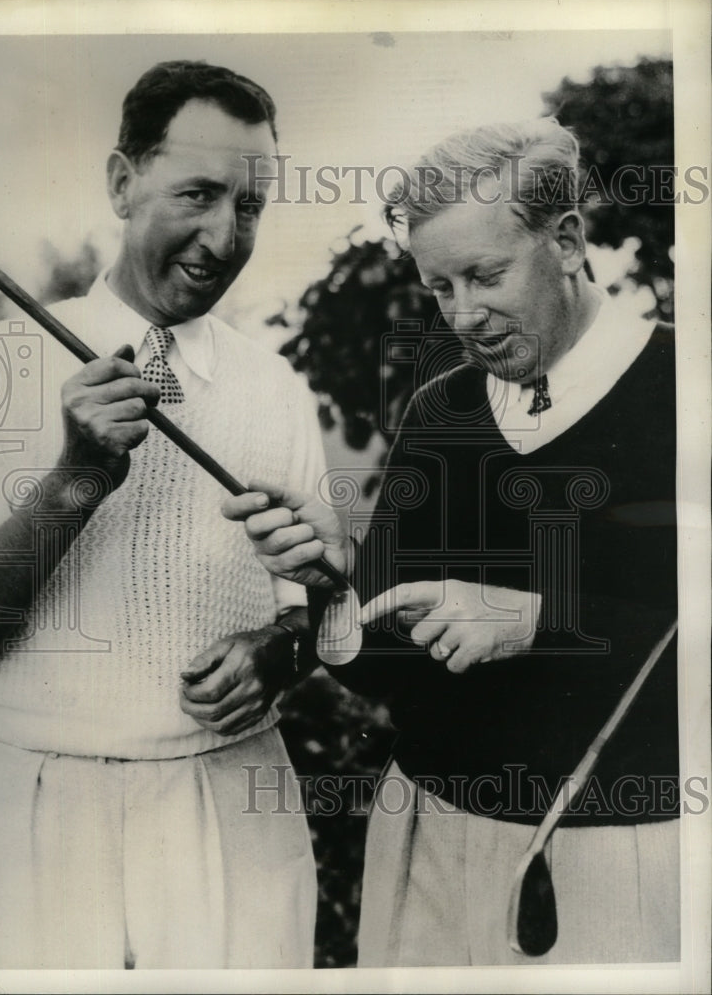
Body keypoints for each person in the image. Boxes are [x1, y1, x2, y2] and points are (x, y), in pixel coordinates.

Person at [222, 118, 679, 966]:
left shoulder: (685, 394)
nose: (463, 314)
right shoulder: (443, 411)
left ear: (569, 240)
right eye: (439, 288)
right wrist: (334, 580)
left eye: (485, 275)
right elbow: (387, 668)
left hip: (627, 856)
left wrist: (539, 617)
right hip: (426, 838)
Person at [0, 60, 324, 969]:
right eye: (198, 194)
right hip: (36, 811)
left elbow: (320, 602)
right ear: (122, 182)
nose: (224, 235)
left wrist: (280, 649)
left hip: (234, 802)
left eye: (249, 206)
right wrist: (79, 477)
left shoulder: (277, 389)